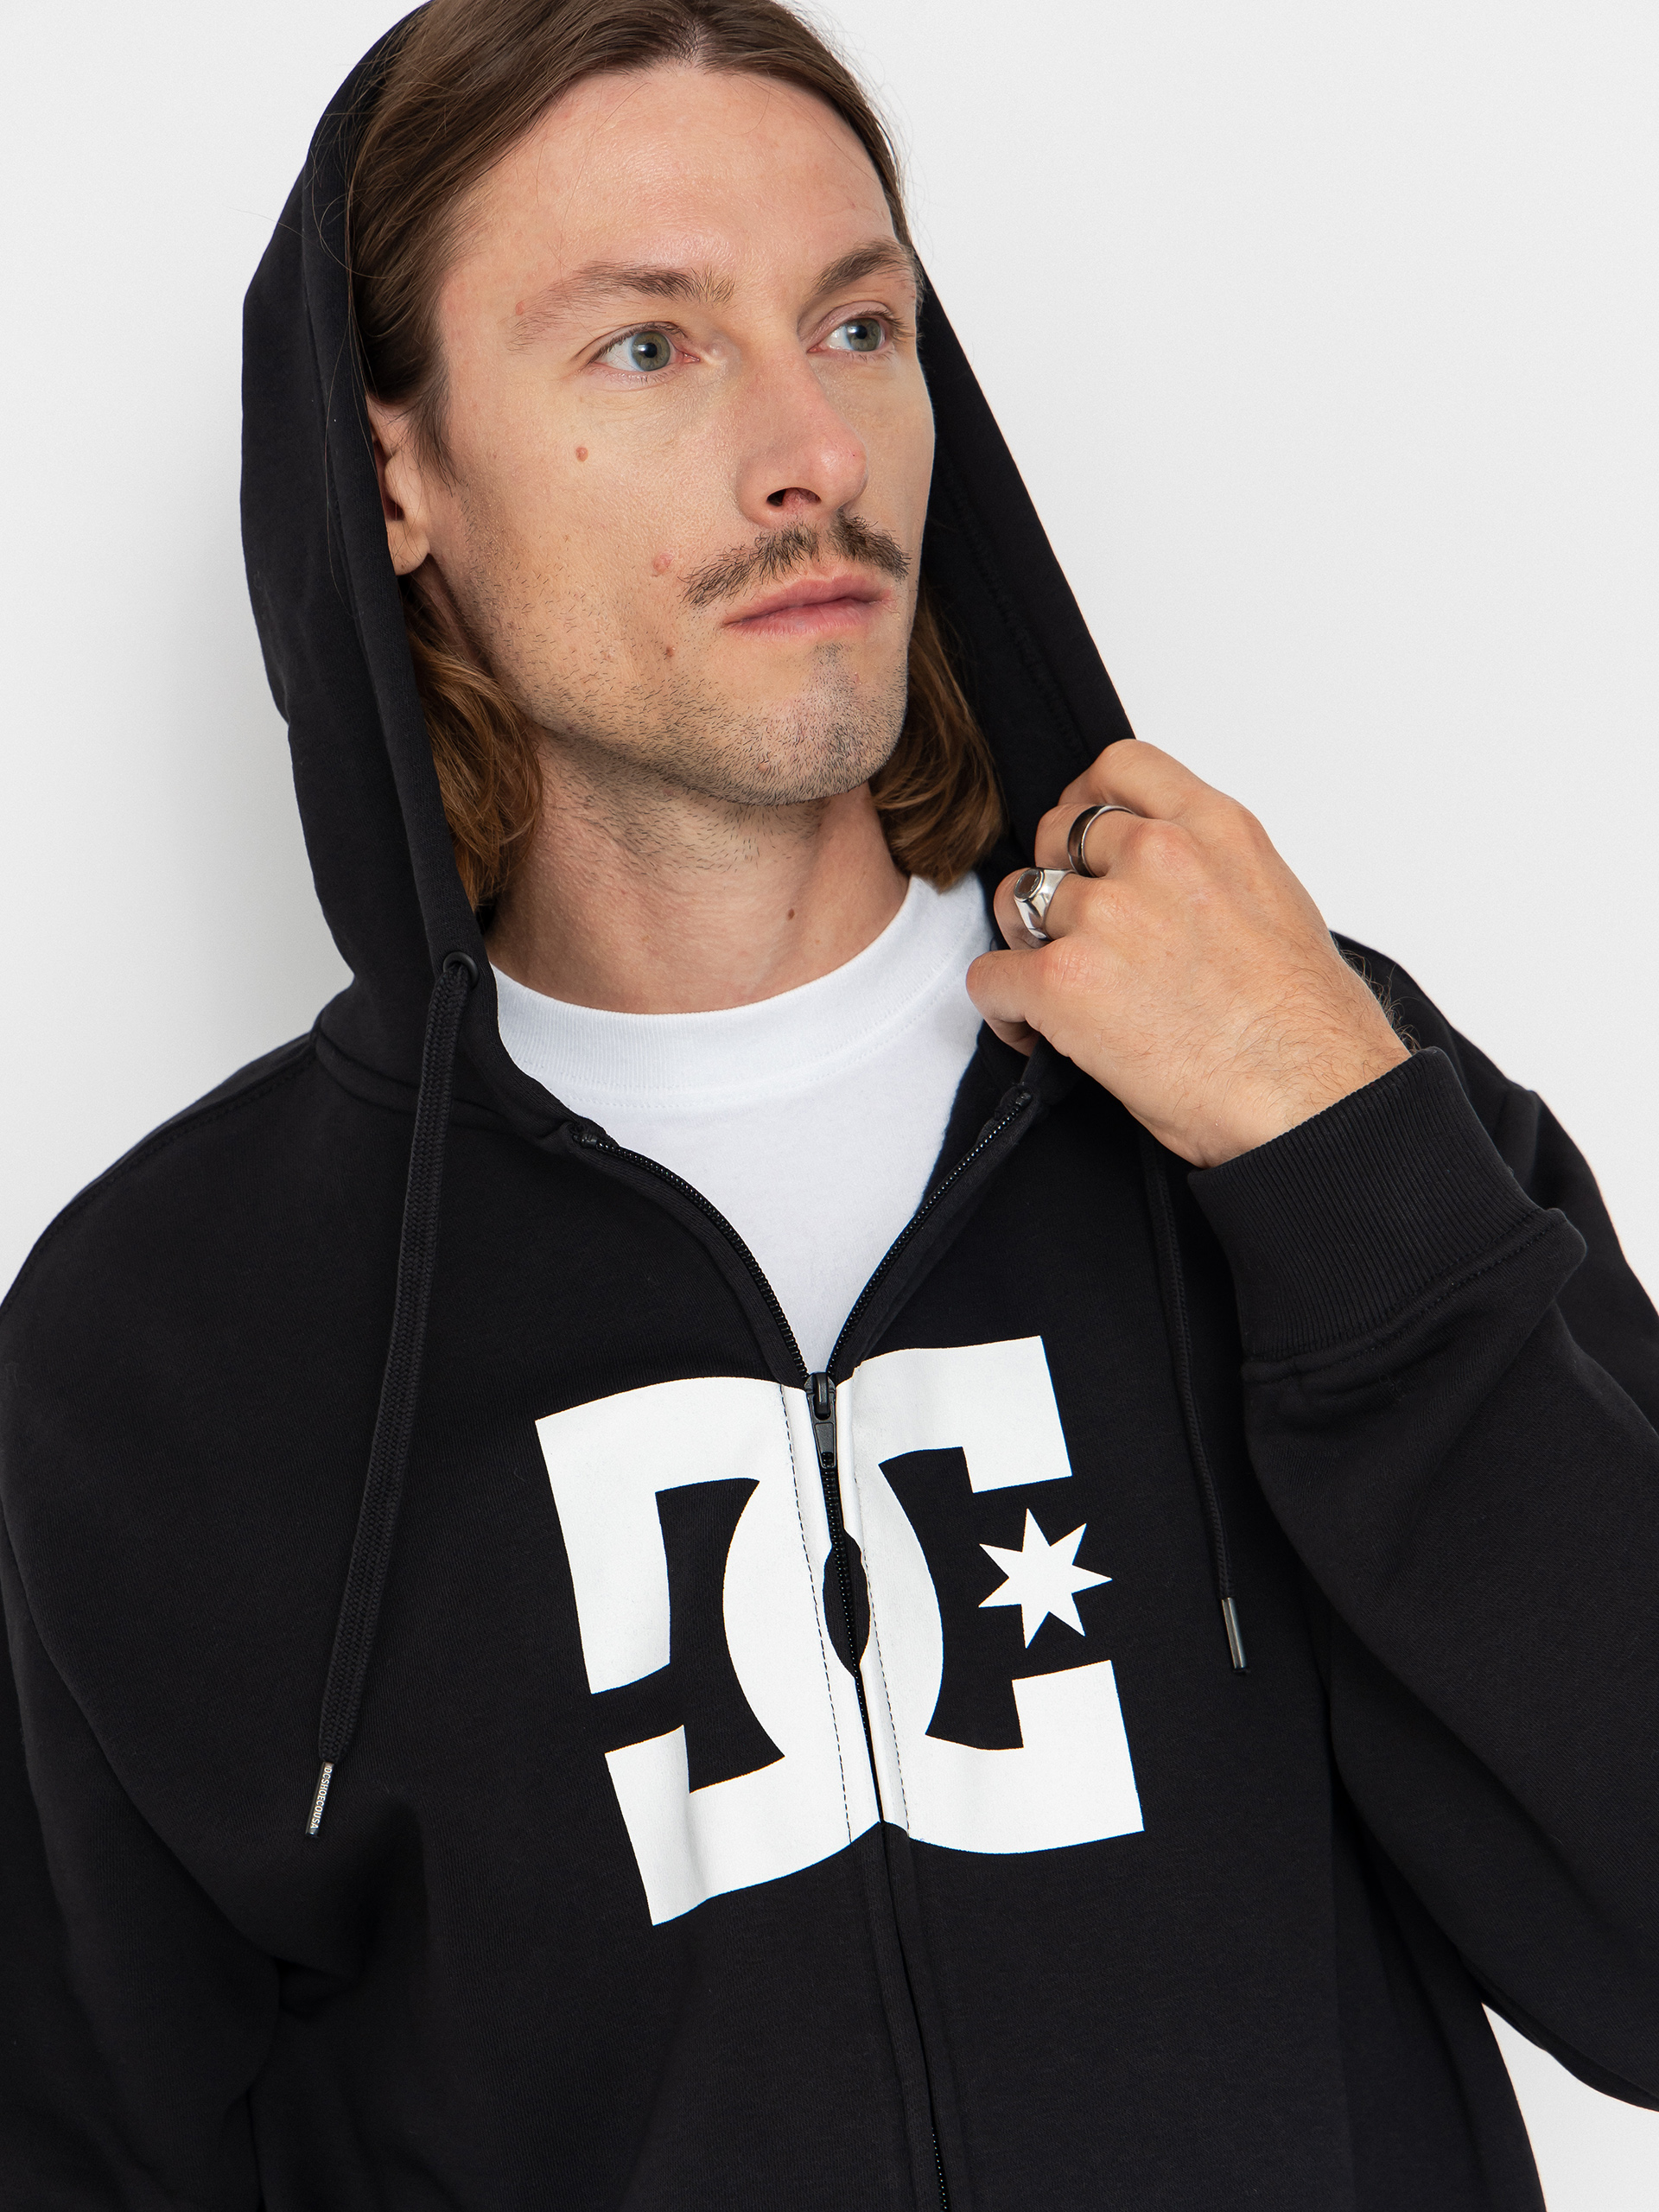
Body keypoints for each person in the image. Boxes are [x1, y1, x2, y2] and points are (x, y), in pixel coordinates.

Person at [2, 0, 1656, 2202]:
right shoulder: (167, 1338)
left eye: (860, 326)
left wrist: (1338, 1156)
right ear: (394, 474)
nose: (813, 454)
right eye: (650, 347)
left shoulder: (1296, 1081)